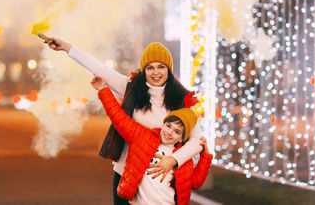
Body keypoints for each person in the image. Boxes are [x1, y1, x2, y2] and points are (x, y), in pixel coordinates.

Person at [47, 38, 203, 204]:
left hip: (161, 180)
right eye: (150, 68)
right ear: (143, 71)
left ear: (168, 69)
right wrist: (67, 48)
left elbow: (197, 141)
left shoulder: (181, 100)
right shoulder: (131, 88)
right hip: (127, 175)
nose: (155, 72)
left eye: (161, 67)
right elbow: (99, 68)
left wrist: (173, 160)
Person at [91, 76, 213, 205]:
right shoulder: (142, 137)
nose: (169, 132)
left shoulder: (182, 158)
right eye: (168, 125)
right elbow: (118, 117)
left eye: (177, 131)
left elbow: (195, 182)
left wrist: (205, 156)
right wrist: (103, 90)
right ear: (163, 124)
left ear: (182, 138)